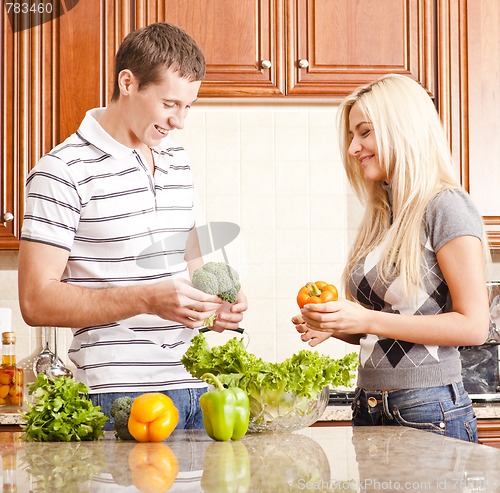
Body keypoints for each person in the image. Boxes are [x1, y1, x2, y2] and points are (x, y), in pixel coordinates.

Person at [18, 22, 247, 429]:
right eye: (170, 104)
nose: (180, 121)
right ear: (128, 82)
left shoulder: (177, 159)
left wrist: (216, 305)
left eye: (189, 107)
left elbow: (187, 261)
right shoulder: (62, 170)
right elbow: (35, 302)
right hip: (117, 399)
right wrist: (146, 298)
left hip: (199, 391)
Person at [292, 74, 490, 442]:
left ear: (403, 130)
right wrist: (340, 325)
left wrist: (364, 317)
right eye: (353, 136)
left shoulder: (446, 206)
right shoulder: (384, 214)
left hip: (428, 408)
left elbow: (474, 325)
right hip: (369, 404)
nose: (353, 148)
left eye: (365, 133)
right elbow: (383, 326)